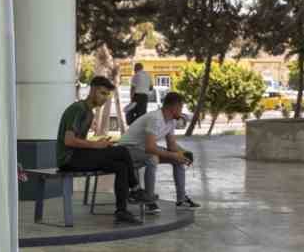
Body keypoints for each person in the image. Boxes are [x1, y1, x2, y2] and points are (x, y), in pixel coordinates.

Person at [57, 76, 139, 225]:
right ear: (93, 90)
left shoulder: (89, 112)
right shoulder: (78, 109)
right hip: (69, 159)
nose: (105, 98)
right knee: (122, 151)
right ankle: (135, 189)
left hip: (80, 156)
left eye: (107, 95)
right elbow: (68, 141)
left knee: (120, 167)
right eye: (102, 93)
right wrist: (95, 146)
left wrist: (99, 143)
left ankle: (121, 211)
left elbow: (80, 141)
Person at [118, 91, 198, 211]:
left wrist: (184, 153)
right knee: (153, 158)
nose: (181, 111)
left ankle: (181, 200)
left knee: (179, 160)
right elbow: (150, 148)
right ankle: (149, 201)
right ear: (173, 107)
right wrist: (174, 155)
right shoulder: (155, 118)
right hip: (126, 150)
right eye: (181, 107)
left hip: (142, 150)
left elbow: (171, 145)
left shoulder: (171, 121)